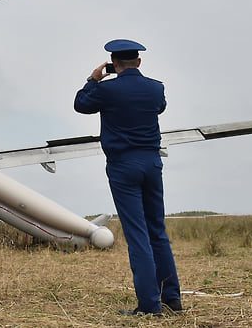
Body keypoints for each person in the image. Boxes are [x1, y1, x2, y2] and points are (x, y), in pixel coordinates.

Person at [74, 39, 182, 316]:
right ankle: (171, 299)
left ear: (114, 63)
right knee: (157, 231)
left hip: (123, 164)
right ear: (139, 61)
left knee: (138, 236)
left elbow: (81, 105)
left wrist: (92, 80)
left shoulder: (107, 90)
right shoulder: (156, 88)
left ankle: (149, 306)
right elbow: (159, 107)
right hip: (151, 162)